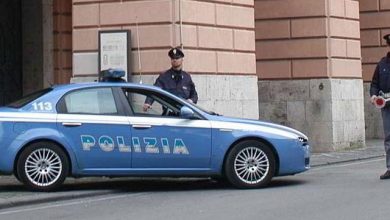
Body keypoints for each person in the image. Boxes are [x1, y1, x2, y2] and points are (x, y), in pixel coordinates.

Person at [143, 47, 198, 112]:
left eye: (177, 58)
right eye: (172, 58)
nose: (174, 60)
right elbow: (154, 90)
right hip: (169, 115)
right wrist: (148, 102)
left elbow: (194, 95)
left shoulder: (187, 77)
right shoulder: (164, 77)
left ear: (182, 60)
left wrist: (191, 100)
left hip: (185, 114)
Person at [370, 33, 390, 180]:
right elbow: (374, 83)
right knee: (389, 138)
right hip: (386, 105)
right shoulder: (382, 64)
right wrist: (374, 95)